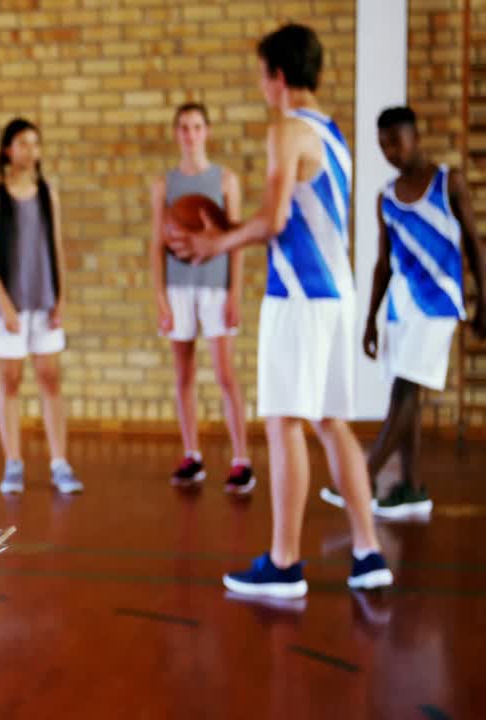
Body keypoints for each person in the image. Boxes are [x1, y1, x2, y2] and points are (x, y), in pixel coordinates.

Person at [168, 23, 393, 598]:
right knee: (331, 422)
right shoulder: (333, 134)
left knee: (284, 422)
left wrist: (214, 244)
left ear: (280, 77)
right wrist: (228, 228)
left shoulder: (287, 129)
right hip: (336, 296)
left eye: (262, 77)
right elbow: (290, 218)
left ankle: (285, 563)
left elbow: (274, 223)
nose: (262, 88)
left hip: (298, 299)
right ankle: (368, 553)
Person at [320, 106, 486, 519]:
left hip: (439, 303)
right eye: (381, 144)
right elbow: (382, 264)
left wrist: (484, 300)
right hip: (400, 307)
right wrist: (371, 319)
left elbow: (475, 246)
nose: (389, 150)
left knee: (405, 392)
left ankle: (360, 477)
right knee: (407, 393)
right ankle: (410, 487)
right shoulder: (387, 197)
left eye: (395, 140)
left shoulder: (449, 183)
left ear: (415, 136)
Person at [149, 103, 255, 493]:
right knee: (184, 374)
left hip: (215, 286)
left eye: (196, 127)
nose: (190, 134)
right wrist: (159, 295)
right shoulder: (165, 184)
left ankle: (241, 458)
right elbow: (155, 244)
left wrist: (235, 294)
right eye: (184, 127)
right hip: (178, 287)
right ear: (176, 133)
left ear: (206, 131)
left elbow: (237, 244)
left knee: (225, 375)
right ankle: (192, 454)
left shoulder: (225, 180)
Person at [0, 118, 82, 495]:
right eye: (23, 143)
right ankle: (13, 463)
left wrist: (62, 297)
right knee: (10, 381)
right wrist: (5, 306)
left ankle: (59, 463)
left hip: (44, 301)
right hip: (9, 305)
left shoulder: (46, 193)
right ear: (8, 149)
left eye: (35, 144)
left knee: (50, 379)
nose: (30, 150)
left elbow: (55, 247)